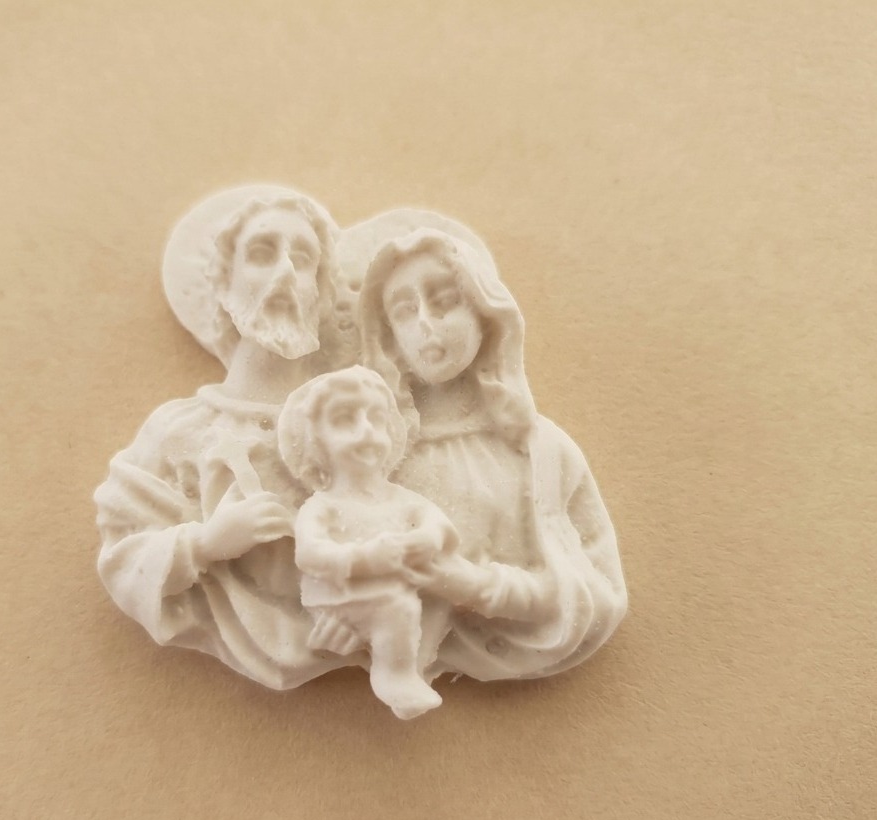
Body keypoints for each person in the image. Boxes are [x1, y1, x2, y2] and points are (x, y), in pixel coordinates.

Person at [94, 193, 354, 689]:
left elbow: (392, 532)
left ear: (320, 293)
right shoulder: (177, 431)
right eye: (261, 253)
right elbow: (122, 553)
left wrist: (360, 610)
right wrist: (207, 542)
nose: (284, 272)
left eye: (302, 259)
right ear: (225, 282)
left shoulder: (352, 425)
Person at [359, 228, 627, 682]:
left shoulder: (542, 453)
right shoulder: (377, 456)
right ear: (390, 339)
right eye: (404, 311)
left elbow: (598, 591)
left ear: (484, 313)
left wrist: (481, 588)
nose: (425, 323)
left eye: (444, 301)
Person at [279, 366, 458, 719]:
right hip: (337, 594)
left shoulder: (402, 499)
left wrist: (427, 538)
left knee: (405, 604)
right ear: (317, 442)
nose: (366, 432)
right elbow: (310, 554)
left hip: (386, 591)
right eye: (345, 420)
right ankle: (394, 675)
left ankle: (399, 659)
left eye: (376, 419)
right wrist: (365, 559)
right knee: (398, 607)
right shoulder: (323, 506)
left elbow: (439, 526)